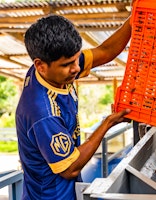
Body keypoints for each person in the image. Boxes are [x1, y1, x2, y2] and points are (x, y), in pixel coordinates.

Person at [15, 11, 133, 200]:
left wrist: (133, 18)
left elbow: (105, 51)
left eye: (77, 59)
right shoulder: (43, 113)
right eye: (68, 64)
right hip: (51, 196)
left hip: (67, 189)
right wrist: (108, 123)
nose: (76, 69)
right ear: (40, 65)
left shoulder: (54, 67)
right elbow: (70, 169)